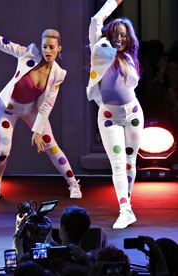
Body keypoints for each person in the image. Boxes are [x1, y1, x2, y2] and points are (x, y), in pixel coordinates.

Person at [0, 24, 82, 199]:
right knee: (3, 151)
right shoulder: (29, 54)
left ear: (59, 49)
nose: (47, 50)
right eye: (44, 46)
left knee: (51, 145)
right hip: (8, 110)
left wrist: (38, 130)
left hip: (33, 110)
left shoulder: (58, 74)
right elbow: (1, 42)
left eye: (52, 47)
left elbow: (48, 104)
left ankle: (73, 184)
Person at [87, 0, 143, 229]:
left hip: (133, 114)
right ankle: (124, 209)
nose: (119, 38)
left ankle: (127, 206)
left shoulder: (130, 58)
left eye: (123, 35)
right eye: (115, 34)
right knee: (118, 164)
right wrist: (114, 1)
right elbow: (95, 21)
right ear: (109, 36)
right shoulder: (100, 50)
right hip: (109, 117)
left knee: (130, 162)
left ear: (128, 38)